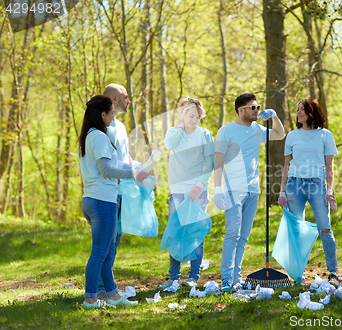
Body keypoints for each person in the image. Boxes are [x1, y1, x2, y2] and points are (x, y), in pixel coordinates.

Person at [79, 95, 148, 308]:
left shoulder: (89, 135)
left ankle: (113, 296)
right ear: (103, 114)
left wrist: (135, 169)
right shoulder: (98, 137)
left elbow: (113, 164)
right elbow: (107, 170)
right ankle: (90, 299)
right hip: (102, 201)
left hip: (93, 198)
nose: (112, 118)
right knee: (100, 253)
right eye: (110, 113)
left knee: (106, 252)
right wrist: (134, 175)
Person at [214, 93, 286, 292]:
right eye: (252, 107)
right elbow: (218, 160)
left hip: (253, 190)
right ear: (241, 110)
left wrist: (275, 117)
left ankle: (236, 278)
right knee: (232, 234)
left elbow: (280, 134)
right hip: (232, 190)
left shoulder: (257, 129)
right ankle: (227, 279)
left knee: (243, 236)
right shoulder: (226, 131)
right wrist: (217, 188)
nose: (257, 111)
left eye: (258, 107)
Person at [277, 99, 339, 285]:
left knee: (325, 227)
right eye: (298, 110)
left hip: (317, 185)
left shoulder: (325, 135)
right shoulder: (292, 136)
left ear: (312, 112)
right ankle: (298, 275)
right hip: (294, 186)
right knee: (296, 230)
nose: (298, 113)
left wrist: (329, 190)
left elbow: (330, 167)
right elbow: (286, 165)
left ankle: (333, 272)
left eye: (302, 110)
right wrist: (282, 191)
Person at [159, 97, 214, 289]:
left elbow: (210, 163)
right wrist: (179, 128)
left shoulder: (205, 134)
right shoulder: (173, 133)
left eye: (197, 116)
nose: (194, 119)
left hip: (198, 191)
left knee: (194, 233)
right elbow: (170, 145)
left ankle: (193, 276)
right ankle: (173, 277)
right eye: (191, 115)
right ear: (183, 114)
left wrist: (199, 185)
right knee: (175, 233)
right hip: (177, 192)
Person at [95, 83, 132, 298]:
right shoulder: (100, 127)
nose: (129, 101)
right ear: (115, 99)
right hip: (105, 193)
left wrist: (138, 168)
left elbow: (124, 157)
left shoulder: (121, 126)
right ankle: (101, 290)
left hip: (122, 192)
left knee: (115, 241)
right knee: (105, 243)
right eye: (126, 97)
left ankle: (107, 288)